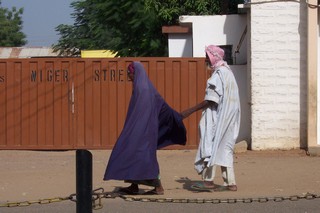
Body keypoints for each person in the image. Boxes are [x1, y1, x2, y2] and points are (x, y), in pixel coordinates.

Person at [104, 61, 187, 195]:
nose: (128, 76)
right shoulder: (143, 87)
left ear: (135, 73)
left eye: (129, 73)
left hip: (144, 130)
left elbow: (150, 111)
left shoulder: (143, 89)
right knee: (135, 153)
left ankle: (158, 187)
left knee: (144, 157)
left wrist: (175, 116)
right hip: (140, 128)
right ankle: (134, 186)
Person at [181, 45, 240, 191]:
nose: (205, 59)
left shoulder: (218, 74)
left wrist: (190, 111)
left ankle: (208, 181)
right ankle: (230, 183)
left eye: (207, 55)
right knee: (225, 148)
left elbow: (212, 100)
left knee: (211, 146)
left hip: (218, 117)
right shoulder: (228, 73)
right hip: (230, 117)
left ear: (213, 57)